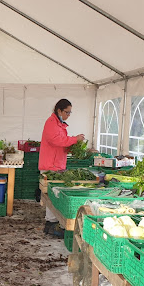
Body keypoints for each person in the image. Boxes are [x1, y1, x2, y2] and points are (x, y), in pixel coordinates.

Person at [39, 99, 85, 237]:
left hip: (56, 163)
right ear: (59, 110)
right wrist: (74, 139)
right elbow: (56, 140)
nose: (68, 115)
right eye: (67, 112)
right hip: (50, 165)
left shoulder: (59, 124)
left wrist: (70, 146)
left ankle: (51, 224)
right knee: (52, 195)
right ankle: (52, 224)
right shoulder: (52, 123)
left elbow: (60, 142)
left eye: (70, 112)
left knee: (53, 195)